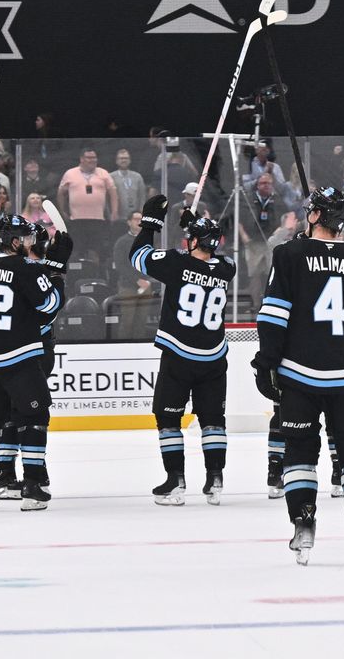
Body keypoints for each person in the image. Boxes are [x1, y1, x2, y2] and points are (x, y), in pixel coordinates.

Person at [254, 187, 344, 565]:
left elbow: (274, 314)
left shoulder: (288, 254)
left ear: (315, 217)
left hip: (300, 371)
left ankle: (303, 525)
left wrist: (267, 361)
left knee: (300, 450)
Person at [131, 196, 237, 507]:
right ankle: (215, 479)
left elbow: (138, 256)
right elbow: (205, 257)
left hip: (179, 355)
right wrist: (193, 226)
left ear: (193, 242)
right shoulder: (227, 267)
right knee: (213, 419)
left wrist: (151, 222)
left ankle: (175, 480)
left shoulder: (177, 263)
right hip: (214, 357)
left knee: (167, 418)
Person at [0, 214, 63, 511]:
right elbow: (49, 307)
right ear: (14, 241)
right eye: (26, 237)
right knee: (34, 417)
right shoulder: (23, 267)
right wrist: (56, 275)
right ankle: (33, 485)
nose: (31, 242)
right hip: (18, 357)